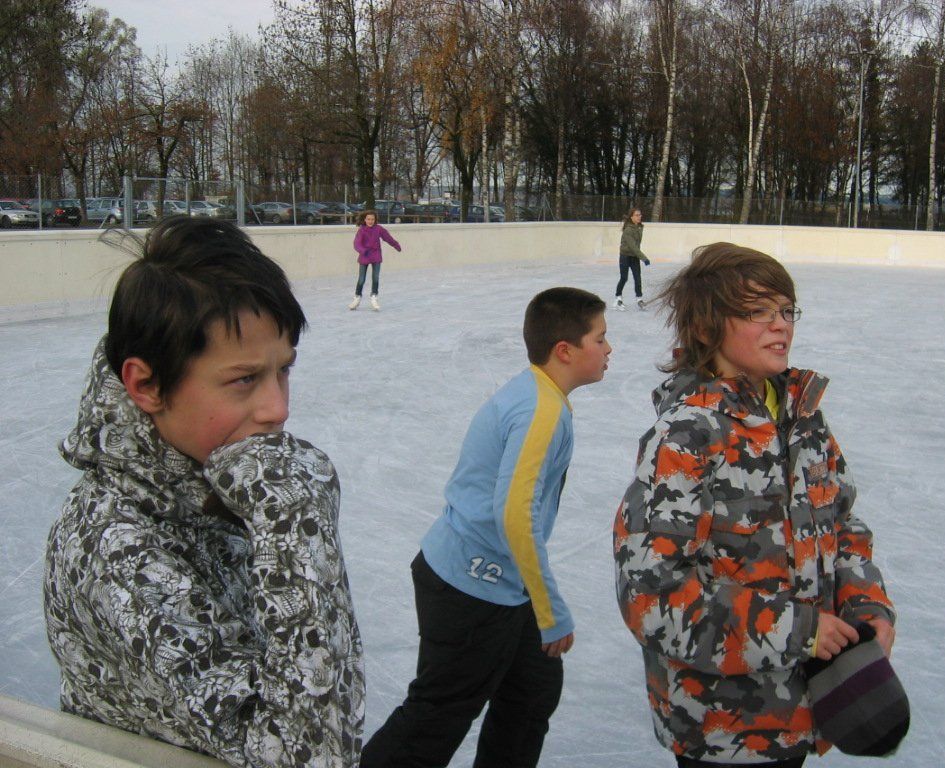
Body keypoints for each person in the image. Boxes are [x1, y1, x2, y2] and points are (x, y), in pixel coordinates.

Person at [43, 217, 365, 768]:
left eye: (284, 370)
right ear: (145, 384)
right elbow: (309, 754)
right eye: (244, 379)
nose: (278, 409)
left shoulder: (210, 474)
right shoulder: (117, 551)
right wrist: (295, 520)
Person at [613, 242, 896, 768]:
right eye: (757, 312)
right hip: (724, 729)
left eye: (786, 310)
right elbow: (650, 594)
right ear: (706, 328)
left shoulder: (801, 415)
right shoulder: (687, 437)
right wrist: (800, 631)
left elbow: (842, 523)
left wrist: (866, 604)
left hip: (800, 710)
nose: (780, 325)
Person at [361, 287, 611, 768]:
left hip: (497, 580)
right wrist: (551, 610)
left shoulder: (540, 392)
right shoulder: (541, 410)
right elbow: (514, 514)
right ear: (565, 350)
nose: (608, 348)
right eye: (600, 339)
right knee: (438, 713)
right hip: (471, 587)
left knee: (532, 690)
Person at [350, 209, 402, 311]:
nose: (370, 221)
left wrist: (396, 245)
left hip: (376, 255)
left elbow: (388, 238)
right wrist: (364, 251)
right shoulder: (361, 230)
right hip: (365, 255)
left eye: (372, 219)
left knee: (375, 277)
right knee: (361, 279)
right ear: (365, 220)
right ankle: (357, 298)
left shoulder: (378, 229)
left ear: (375, 220)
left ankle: (374, 296)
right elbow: (356, 244)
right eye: (368, 219)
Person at [614, 206, 650, 311]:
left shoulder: (639, 227)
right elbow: (633, 246)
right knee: (624, 278)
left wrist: (639, 256)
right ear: (631, 217)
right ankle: (618, 298)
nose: (639, 217)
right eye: (637, 215)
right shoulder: (628, 230)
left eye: (640, 215)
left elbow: (636, 246)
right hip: (625, 256)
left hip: (634, 257)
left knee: (637, 278)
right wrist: (644, 258)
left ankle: (639, 299)